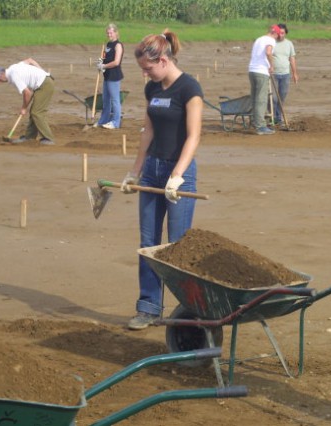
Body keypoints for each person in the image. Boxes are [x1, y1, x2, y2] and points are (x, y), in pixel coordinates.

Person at [122, 29, 204, 330]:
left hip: (177, 174)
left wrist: (178, 176)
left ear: (164, 60)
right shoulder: (152, 90)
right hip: (153, 169)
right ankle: (149, 307)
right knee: (148, 242)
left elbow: (194, 135)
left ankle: (188, 311)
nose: (145, 74)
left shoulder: (189, 89)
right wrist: (135, 170)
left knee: (178, 246)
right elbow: (149, 131)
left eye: (148, 68)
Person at [0, 58, 55, 145]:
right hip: (43, 83)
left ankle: (49, 139)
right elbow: (30, 60)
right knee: (34, 112)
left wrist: (24, 108)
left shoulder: (14, 76)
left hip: (44, 85)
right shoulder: (13, 67)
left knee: (37, 113)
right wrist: (42, 72)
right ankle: (29, 137)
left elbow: (27, 93)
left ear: (1, 74)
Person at [248, 24, 284, 135]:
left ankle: (255, 121)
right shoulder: (270, 40)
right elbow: (268, 52)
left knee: (254, 97)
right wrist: (271, 65)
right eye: (278, 36)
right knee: (261, 99)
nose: (277, 38)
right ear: (275, 33)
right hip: (261, 71)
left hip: (252, 70)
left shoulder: (259, 39)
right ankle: (260, 126)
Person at [95, 23, 124, 129]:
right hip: (106, 75)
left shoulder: (118, 45)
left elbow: (116, 62)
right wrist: (101, 61)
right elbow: (105, 57)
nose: (109, 35)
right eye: (107, 33)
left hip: (114, 76)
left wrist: (104, 65)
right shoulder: (108, 45)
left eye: (111, 33)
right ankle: (104, 120)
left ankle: (115, 122)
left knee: (115, 100)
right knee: (105, 100)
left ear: (115, 33)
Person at [272, 23, 299, 126]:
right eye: (279, 33)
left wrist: (295, 73)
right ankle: (272, 117)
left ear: (285, 33)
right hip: (273, 74)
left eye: (283, 33)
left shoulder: (289, 44)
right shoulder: (272, 43)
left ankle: (278, 118)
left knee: (282, 97)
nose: (281, 35)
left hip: (285, 75)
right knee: (274, 98)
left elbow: (292, 58)